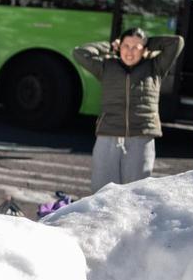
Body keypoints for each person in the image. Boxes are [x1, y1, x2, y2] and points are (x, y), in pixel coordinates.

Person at [73, 28, 185, 191]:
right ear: (120, 47)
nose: (130, 52)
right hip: (108, 136)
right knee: (101, 193)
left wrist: (147, 42)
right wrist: (110, 47)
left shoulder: (155, 67)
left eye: (136, 47)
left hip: (141, 138)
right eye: (126, 46)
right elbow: (80, 53)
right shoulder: (106, 67)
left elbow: (177, 42)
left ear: (144, 50)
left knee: (134, 194)